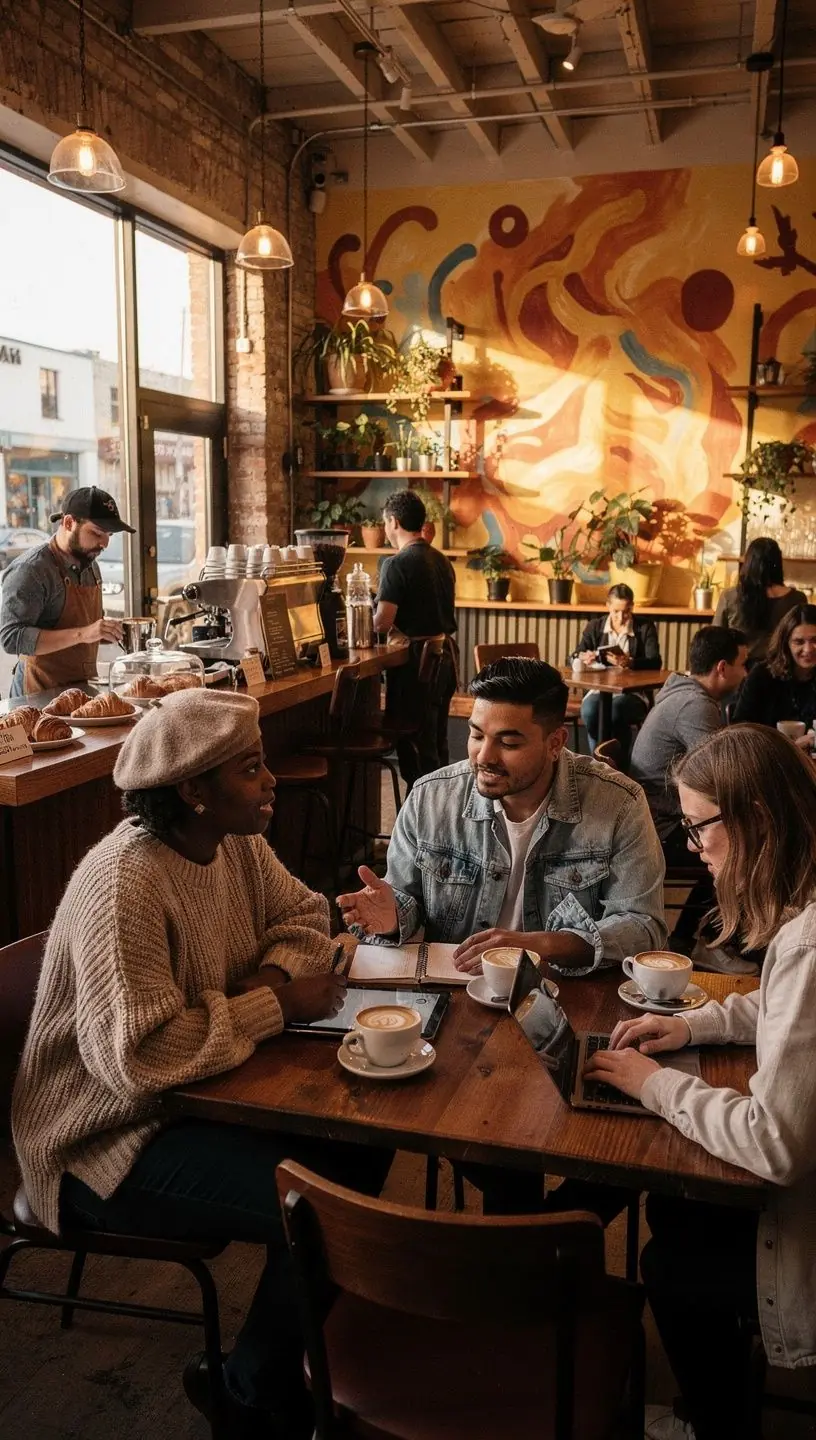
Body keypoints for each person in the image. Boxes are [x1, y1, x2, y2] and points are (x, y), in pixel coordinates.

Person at [11, 689, 390, 1439]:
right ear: (191, 790)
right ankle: (252, 1395)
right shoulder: (125, 883)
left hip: (199, 1095)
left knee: (368, 1141)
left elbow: (306, 916)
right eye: (251, 769)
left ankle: (263, 1370)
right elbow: (139, 1057)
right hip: (102, 1142)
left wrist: (272, 980)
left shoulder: (234, 842)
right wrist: (275, 1008)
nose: (271, 780)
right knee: (321, 1213)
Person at [583, 724, 816, 1440]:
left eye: (699, 827)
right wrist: (693, 1026)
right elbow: (782, 1005)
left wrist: (654, 1083)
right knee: (679, 1211)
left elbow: (775, 1144)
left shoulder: (809, 942)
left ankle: (717, 1425)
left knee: (669, 1261)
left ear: (760, 821)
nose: (694, 847)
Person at [338, 657, 667, 977]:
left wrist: (541, 945)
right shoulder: (430, 798)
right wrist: (392, 916)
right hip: (458, 990)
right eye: (477, 735)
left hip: (562, 989)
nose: (484, 756)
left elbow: (643, 926)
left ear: (555, 743)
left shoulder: (618, 803)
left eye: (508, 742)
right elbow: (405, 900)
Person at [630, 625, 748, 949]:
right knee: (743, 842)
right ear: (723, 667)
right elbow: (723, 774)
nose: (746, 672)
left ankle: (690, 938)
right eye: (743, 664)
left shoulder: (683, 693)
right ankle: (714, 942)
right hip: (663, 827)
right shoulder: (695, 705)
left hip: (660, 815)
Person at [0, 486, 130, 697]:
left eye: (109, 535)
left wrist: (108, 630)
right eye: (97, 532)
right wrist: (84, 633)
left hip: (81, 692)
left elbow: (87, 627)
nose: (105, 543)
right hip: (38, 695)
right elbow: (12, 638)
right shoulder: (31, 569)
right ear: (69, 523)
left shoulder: (90, 563)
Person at [372, 488, 458, 788]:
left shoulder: (396, 564)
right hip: (444, 658)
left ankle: (421, 816)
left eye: (385, 522)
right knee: (435, 743)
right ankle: (439, 811)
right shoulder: (441, 560)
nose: (384, 528)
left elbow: (383, 622)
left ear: (394, 522)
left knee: (415, 749)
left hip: (416, 666)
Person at [573, 582, 662, 761]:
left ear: (632, 607)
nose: (621, 617)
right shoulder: (595, 627)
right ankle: (599, 763)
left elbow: (656, 662)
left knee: (616, 711)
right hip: (599, 690)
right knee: (590, 710)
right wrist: (584, 657)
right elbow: (575, 654)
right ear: (608, 606)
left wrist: (631, 662)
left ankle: (617, 765)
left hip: (633, 693)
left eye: (626, 612)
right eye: (615, 611)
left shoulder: (644, 628)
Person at [714, 536, 807, 665]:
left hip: (739, 671)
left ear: (748, 562)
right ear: (778, 563)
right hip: (781, 669)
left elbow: (715, 639)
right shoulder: (796, 598)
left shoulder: (730, 596)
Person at [733, 603, 816, 742]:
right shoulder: (763, 675)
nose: (808, 649)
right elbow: (739, 729)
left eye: (815, 640)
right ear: (786, 644)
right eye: (799, 642)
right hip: (768, 757)